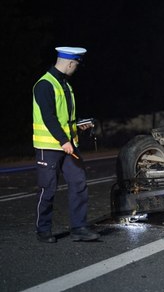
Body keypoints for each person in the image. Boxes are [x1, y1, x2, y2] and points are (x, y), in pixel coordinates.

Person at [32, 46, 100, 243]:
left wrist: (79, 124)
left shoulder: (65, 85)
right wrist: (63, 141)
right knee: (48, 189)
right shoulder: (44, 85)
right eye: (76, 65)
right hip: (50, 147)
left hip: (69, 145)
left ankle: (79, 228)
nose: (76, 69)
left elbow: (65, 117)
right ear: (70, 63)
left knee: (79, 183)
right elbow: (49, 118)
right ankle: (43, 230)